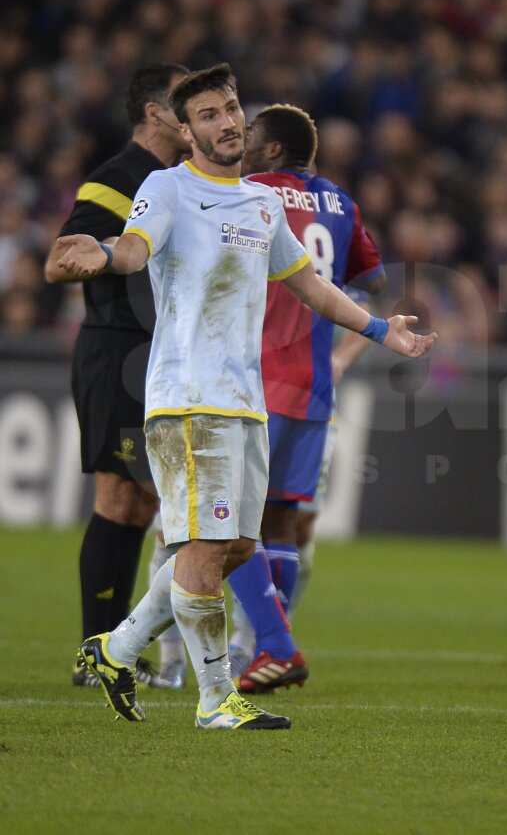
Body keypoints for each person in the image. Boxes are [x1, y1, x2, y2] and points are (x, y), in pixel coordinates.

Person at [59, 63, 437, 730]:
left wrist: (382, 331)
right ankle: (215, 702)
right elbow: (135, 249)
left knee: (233, 548)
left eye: (232, 109)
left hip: (246, 403)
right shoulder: (167, 186)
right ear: (184, 129)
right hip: (188, 398)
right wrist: (100, 251)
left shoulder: (262, 204)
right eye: (208, 114)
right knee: (205, 550)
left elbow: (313, 287)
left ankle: (117, 649)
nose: (228, 122)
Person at [226, 103, 385, 694]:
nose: (239, 144)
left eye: (249, 138)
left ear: (271, 151)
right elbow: (373, 280)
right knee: (282, 524)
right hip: (315, 383)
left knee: (221, 523)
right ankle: (259, 644)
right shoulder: (341, 202)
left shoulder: (250, 190)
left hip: (256, 378)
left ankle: (259, 645)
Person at [44, 63, 191, 688]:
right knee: (119, 499)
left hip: (157, 355)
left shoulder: (179, 181)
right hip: (118, 351)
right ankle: (94, 651)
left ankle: (111, 649)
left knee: (141, 504)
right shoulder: (119, 180)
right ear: (155, 113)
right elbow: (60, 257)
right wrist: (93, 260)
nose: (198, 117)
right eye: (187, 105)